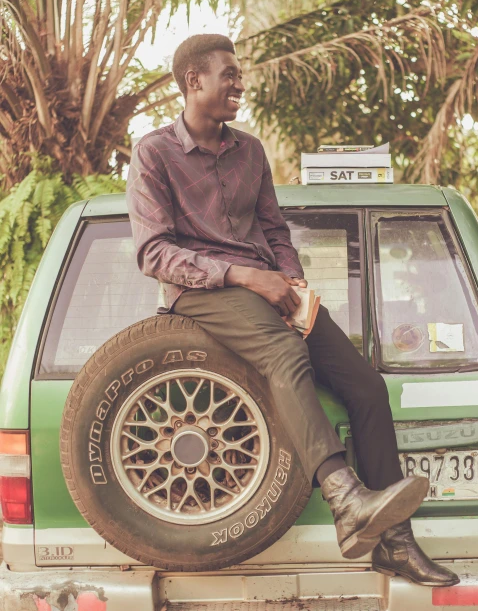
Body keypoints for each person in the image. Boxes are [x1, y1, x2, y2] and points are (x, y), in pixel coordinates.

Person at [126, 34, 459, 586]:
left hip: (268, 286)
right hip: (204, 293)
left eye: (238, 75)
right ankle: (345, 497)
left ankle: (395, 544)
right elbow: (153, 252)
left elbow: (275, 230)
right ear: (193, 82)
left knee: (366, 385)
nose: (239, 84)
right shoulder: (153, 152)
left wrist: (292, 284)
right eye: (228, 75)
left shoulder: (250, 150)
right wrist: (242, 274)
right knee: (285, 352)